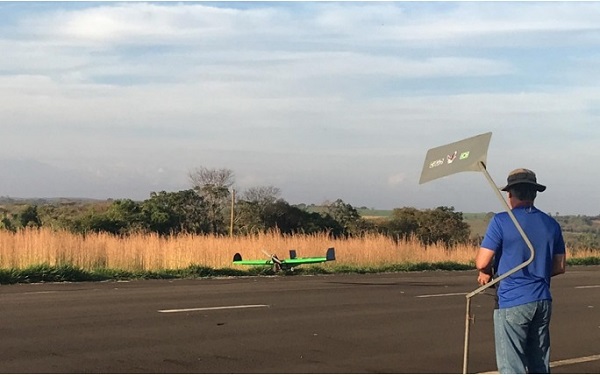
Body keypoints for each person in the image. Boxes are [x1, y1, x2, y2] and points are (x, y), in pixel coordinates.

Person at [475, 168, 566, 374]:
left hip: (512, 299)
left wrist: (488, 272)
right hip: (542, 300)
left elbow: (482, 262)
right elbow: (559, 266)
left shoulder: (501, 220)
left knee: (511, 366)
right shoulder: (551, 224)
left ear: (510, 194)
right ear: (534, 193)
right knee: (539, 362)